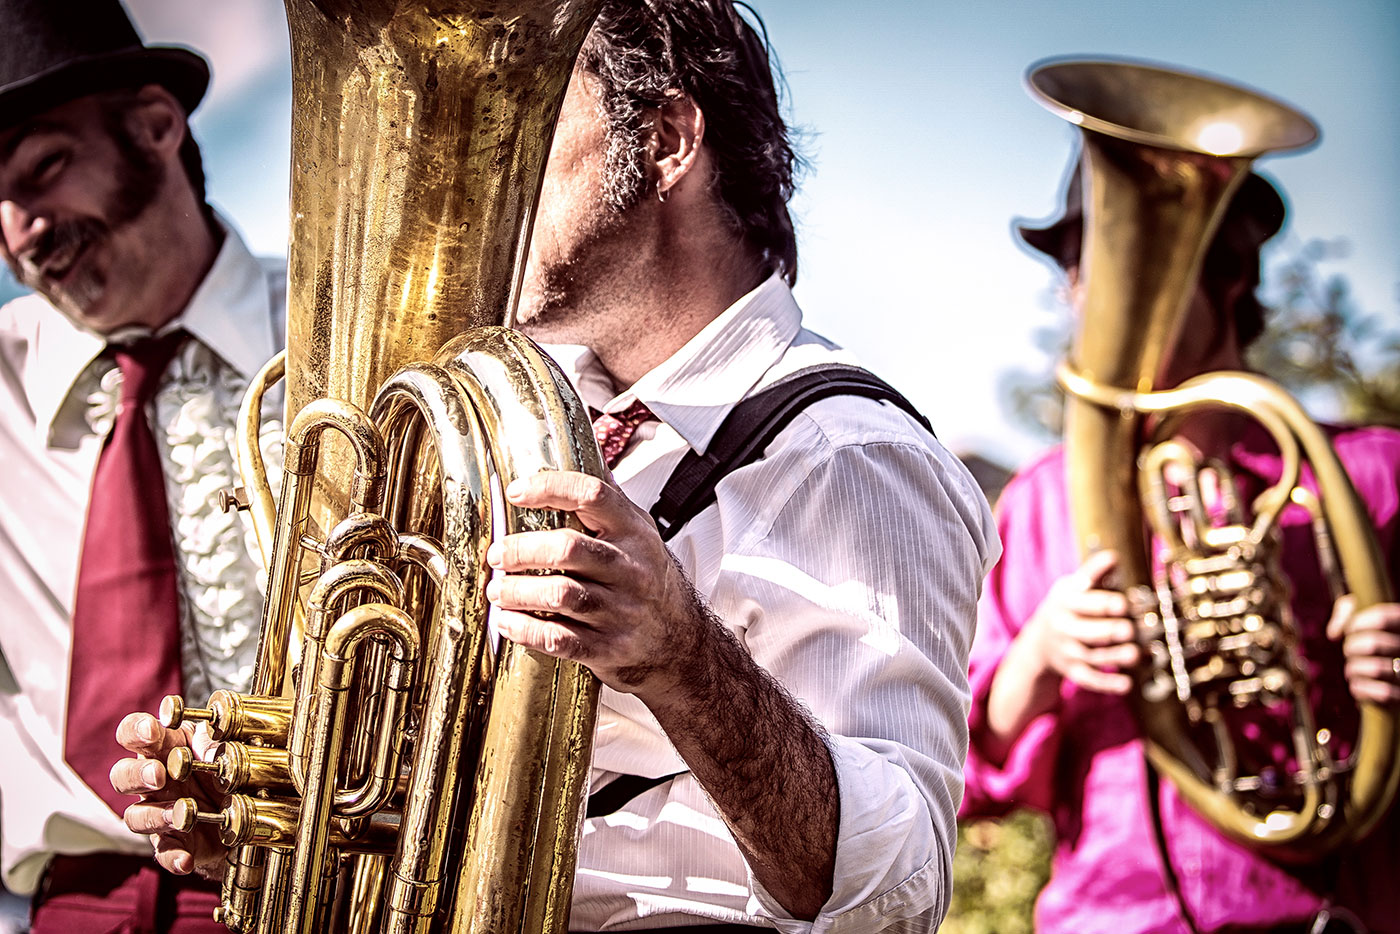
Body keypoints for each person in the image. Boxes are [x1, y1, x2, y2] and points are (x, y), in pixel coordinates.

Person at [111, 1, 1001, 930]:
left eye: (525, 124)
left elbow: (899, 896)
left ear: (663, 140)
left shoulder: (856, 454)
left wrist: (684, 659)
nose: (470, 176)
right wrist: (289, 813)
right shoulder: (539, 418)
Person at [960, 160, 1400, 934]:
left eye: (1131, 277)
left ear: (1226, 275)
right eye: (1079, 277)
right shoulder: (1037, 501)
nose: (1094, 307)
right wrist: (1037, 655)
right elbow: (963, 779)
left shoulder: (1376, 473)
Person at [0, 0, 285, 930]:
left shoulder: (343, 338)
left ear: (158, 127)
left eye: (43, 168)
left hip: (312, 891)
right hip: (70, 904)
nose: (19, 230)